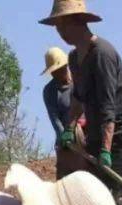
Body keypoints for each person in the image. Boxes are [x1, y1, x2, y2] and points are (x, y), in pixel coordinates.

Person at [41, 0, 122, 205]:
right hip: (98, 134)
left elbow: (109, 106)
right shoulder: (75, 57)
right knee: (99, 199)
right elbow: (78, 98)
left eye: (62, 25)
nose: (59, 32)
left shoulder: (103, 54)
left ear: (78, 22)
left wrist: (106, 150)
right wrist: (69, 129)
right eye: (57, 27)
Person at [41, 46, 81, 179]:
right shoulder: (49, 91)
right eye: (53, 71)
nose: (56, 73)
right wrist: (63, 134)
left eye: (59, 69)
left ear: (66, 66)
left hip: (84, 134)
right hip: (65, 139)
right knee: (65, 178)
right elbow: (54, 117)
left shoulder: (79, 81)